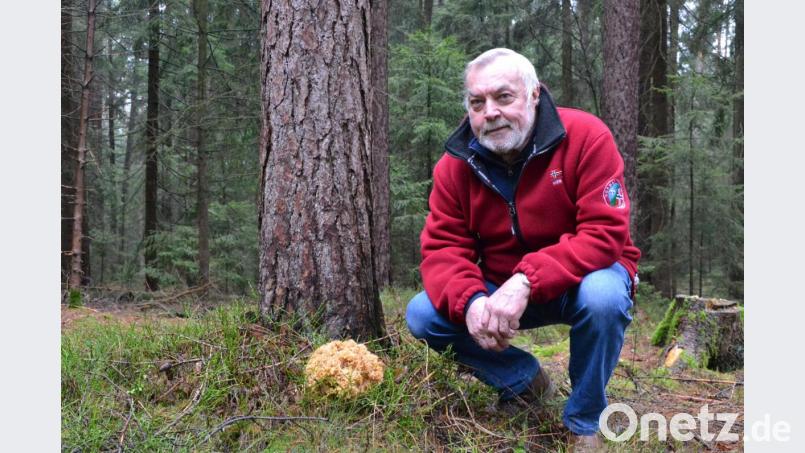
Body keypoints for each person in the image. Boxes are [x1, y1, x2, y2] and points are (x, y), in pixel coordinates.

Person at [405, 48, 641, 452]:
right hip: (501, 287)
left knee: (603, 298)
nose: (490, 112)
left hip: (585, 277)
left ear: (534, 94)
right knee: (424, 315)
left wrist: (527, 280)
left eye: (503, 97)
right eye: (477, 103)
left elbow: (605, 232)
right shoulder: (455, 165)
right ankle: (523, 380)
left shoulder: (585, 136)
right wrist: (473, 303)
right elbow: (444, 248)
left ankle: (583, 421)